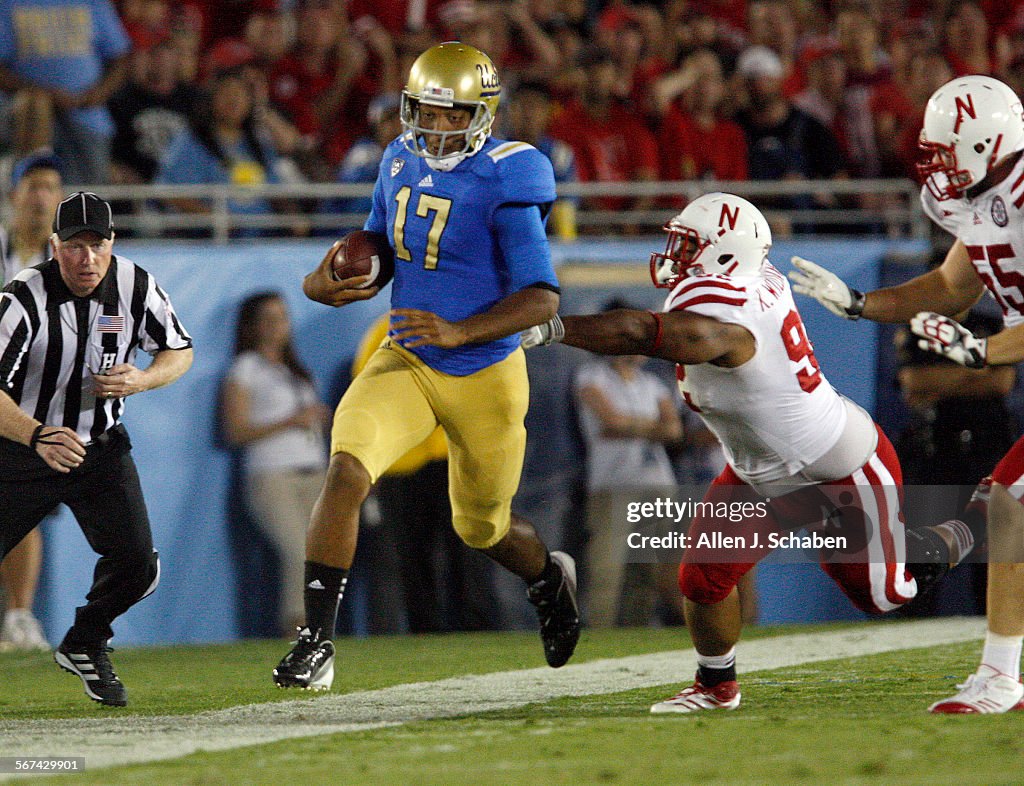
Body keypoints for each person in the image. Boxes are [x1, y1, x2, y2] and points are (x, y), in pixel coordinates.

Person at [522, 192, 978, 714]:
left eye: (689, 245)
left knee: (885, 594)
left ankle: (960, 530)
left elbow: (639, 331)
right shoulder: (748, 279)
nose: (675, 254)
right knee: (702, 575)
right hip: (762, 472)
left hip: (839, 465)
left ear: (724, 253)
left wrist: (552, 326)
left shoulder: (726, 313)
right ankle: (716, 687)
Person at [272, 41, 579, 690]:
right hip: (408, 355)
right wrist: (322, 282)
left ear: (484, 115)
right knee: (348, 470)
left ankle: (548, 576)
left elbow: (542, 296)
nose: (435, 128)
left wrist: (462, 329)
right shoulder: (396, 160)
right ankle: (316, 641)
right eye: (426, 112)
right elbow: (379, 247)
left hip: (487, 374)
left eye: (451, 115)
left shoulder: (507, 174)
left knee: (482, 528)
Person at [789, 74, 1024, 714]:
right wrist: (862, 304)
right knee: (1006, 507)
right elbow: (953, 287)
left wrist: (980, 351)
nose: (936, 163)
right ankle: (1001, 676)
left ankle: (1002, 678)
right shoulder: (981, 199)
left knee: (1005, 507)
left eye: (947, 149)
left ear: (986, 143)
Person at [0, 191, 193, 706]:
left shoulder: (135, 285)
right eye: (75, 247)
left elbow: (179, 348)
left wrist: (145, 379)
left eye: (97, 245)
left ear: (112, 243)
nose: (87, 259)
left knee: (138, 563)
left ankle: (85, 641)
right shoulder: (24, 296)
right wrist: (37, 434)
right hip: (21, 447)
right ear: (54, 245)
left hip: (98, 447)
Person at [221, 292, 330, 637]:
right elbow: (235, 431)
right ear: (251, 327)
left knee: (321, 554)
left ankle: (320, 630)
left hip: (313, 472)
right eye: (267, 318)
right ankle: (298, 632)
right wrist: (292, 421)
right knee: (297, 552)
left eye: (281, 316)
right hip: (273, 477)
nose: (276, 324)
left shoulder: (297, 371)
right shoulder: (245, 369)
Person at [573, 305, 684, 627]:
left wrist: (628, 426)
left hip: (658, 482)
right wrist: (650, 427)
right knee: (606, 566)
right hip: (612, 484)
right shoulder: (592, 375)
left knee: (648, 568)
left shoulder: (652, 384)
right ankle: (599, 634)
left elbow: (673, 430)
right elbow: (609, 420)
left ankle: (636, 635)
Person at [0, 151, 64, 651]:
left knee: (21, 506)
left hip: (28, 403)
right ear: (13, 195)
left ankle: (20, 616)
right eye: (33, 185)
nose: (41, 196)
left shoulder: (70, 264)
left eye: (50, 187)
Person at [0, 0, 131, 184]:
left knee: (87, 200)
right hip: (27, 118)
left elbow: (120, 56)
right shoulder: (7, 4)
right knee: (34, 188)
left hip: (87, 117)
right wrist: (42, 95)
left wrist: (94, 96)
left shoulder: (93, 2)